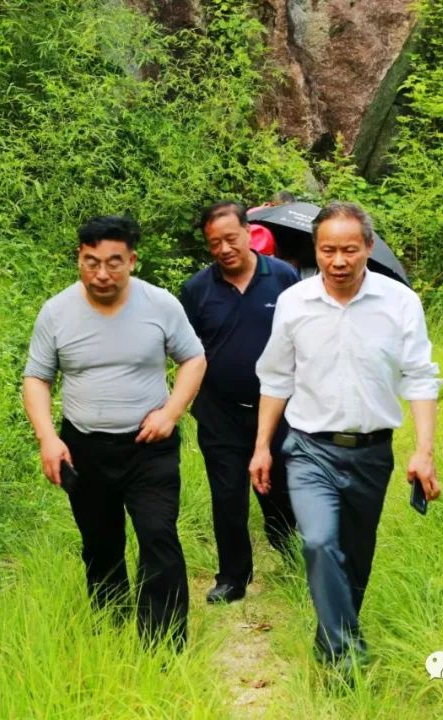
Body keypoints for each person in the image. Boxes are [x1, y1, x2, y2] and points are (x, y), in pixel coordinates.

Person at [250, 201, 442, 673]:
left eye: (349, 250)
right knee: (318, 543)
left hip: (372, 453)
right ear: (315, 249)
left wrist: (424, 450)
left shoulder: (400, 303)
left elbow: (420, 377)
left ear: (368, 247)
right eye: (328, 250)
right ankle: (347, 659)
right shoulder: (295, 302)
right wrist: (261, 447)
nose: (338, 261)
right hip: (308, 449)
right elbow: (276, 377)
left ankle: (330, 641)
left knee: (354, 560)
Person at [23, 214, 207, 647]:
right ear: (79, 258)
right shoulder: (56, 312)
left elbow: (194, 359)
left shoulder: (160, 304)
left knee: (158, 535)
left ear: (132, 261)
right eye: (92, 262)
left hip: (150, 445)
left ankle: (163, 644)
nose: (102, 274)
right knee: (100, 543)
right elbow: (37, 378)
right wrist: (48, 437)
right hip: (83, 447)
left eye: (113, 262)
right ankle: (110, 628)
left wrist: (171, 413)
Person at [179, 202, 299, 605]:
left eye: (231, 238)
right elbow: (187, 351)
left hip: (279, 409)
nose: (225, 249)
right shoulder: (197, 290)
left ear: (249, 232)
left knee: (279, 489)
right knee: (227, 495)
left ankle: (293, 555)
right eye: (215, 243)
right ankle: (233, 577)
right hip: (220, 411)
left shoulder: (282, 277)